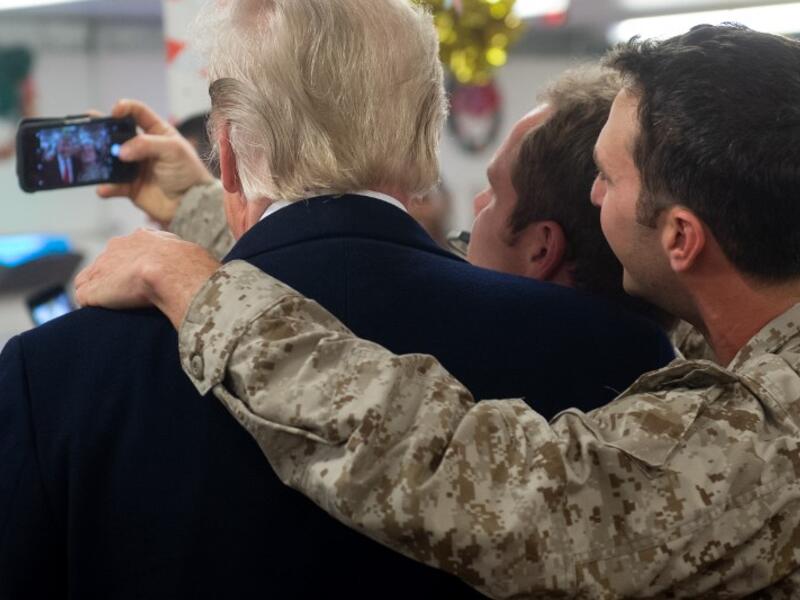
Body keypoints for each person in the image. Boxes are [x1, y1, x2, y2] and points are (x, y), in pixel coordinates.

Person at [77, 24, 800, 597]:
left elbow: (494, 487)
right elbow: (424, 265)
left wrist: (212, 300)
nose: (589, 194)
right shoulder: (733, 341)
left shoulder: (774, 440)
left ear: (681, 238)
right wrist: (206, 205)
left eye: (607, 179)